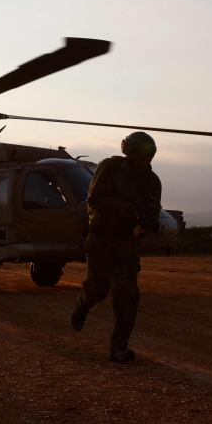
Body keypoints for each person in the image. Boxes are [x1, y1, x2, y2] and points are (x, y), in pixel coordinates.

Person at [70, 132, 162, 363]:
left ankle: (119, 346)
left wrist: (145, 226)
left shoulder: (152, 182)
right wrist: (125, 207)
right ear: (129, 153)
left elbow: (152, 213)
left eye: (148, 158)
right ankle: (82, 305)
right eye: (140, 157)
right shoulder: (110, 168)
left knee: (126, 291)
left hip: (125, 241)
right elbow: (93, 200)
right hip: (100, 238)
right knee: (98, 290)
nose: (144, 163)